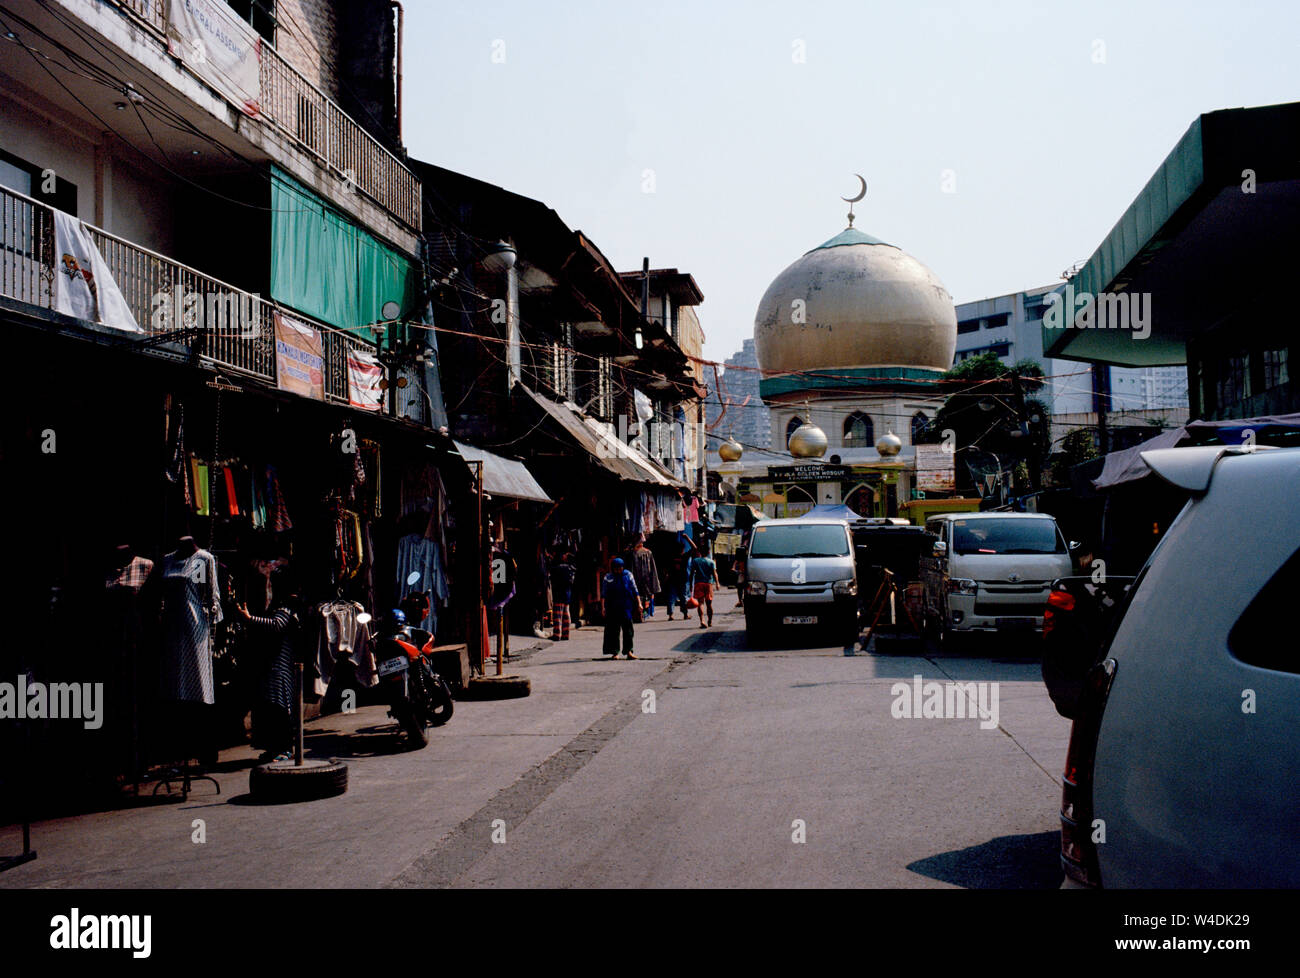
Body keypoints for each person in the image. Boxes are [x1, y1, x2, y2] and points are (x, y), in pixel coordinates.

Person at [235, 569, 301, 762]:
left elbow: (276, 625)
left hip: (280, 667)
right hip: (271, 665)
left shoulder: (288, 606)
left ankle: (284, 749)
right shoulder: (280, 605)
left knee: (279, 708)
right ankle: (273, 748)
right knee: (269, 708)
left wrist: (250, 620)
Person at [600, 556, 640, 659]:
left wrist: (639, 603)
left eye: (620, 568)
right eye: (616, 568)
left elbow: (635, 590)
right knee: (613, 631)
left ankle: (629, 651)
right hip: (612, 608)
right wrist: (603, 608)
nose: (618, 570)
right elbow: (604, 594)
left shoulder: (628, 575)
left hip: (626, 607)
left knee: (628, 630)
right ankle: (615, 652)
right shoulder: (608, 577)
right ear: (612, 568)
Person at [627, 534, 661, 620]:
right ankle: (641, 613)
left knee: (641, 596)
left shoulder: (636, 553)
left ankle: (641, 613)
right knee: (643, 596)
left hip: (640, 578)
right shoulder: (641, 552)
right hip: (645, 578)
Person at [666, 533, 697, 620]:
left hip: (673, 579)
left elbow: (668, 568)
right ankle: (685, 614)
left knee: (671, 597)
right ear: (683, 549)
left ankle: (671, 615)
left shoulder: (672, 556)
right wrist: (687, 538)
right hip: (683, 580)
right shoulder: (685, 556)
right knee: (683, 598)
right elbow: (694, 548)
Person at [689, 543, 718, 629]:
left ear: (700, 552)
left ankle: (702, 620)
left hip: (698, 583)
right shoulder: (711, 562)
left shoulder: (695, 561)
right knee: (709, 604)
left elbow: (691, 574)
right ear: (709, 551)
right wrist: (717, 583)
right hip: (708, 584)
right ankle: (710, 621)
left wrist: (691, 585)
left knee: (700, 603)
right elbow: (714, 573)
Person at [551, 552, 577, 641]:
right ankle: (566, 634)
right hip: (567, 593)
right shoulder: (571, 568)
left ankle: (557, 634)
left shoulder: (557, 568)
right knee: (566, 614)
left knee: (558, 615)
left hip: (558, 593)